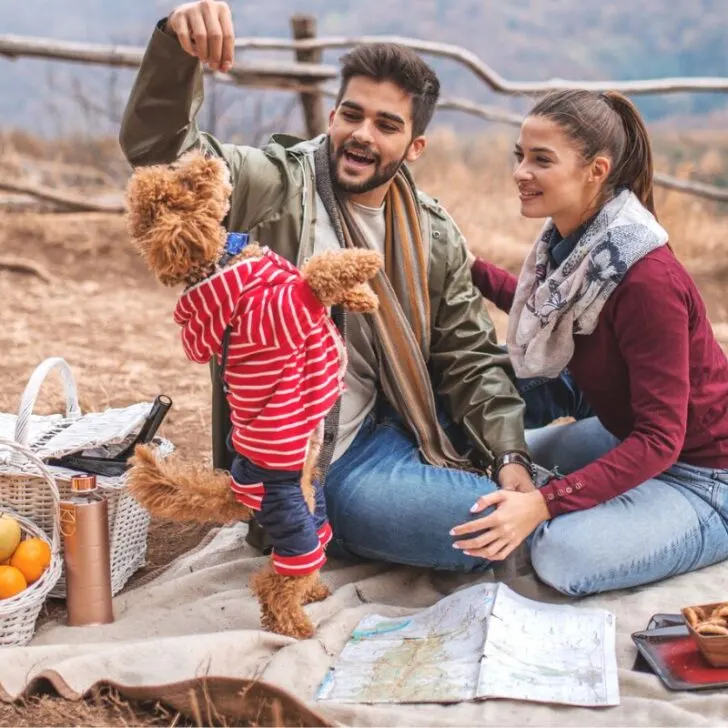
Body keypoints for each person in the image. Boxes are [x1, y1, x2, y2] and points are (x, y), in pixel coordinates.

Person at [120, 0, 577, 572]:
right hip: (318, 460)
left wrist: (511, 459)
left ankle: (552, 472)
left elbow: (468, 358)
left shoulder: (431, 231)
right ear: (332, 115)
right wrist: (174, 49)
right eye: (351, 115)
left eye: (386, 125)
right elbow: (162, 161)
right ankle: (546, 487)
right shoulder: (277, 184)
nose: (362, 134)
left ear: (415, 148)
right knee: (471, 528)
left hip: (405, 415)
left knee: (557, 405)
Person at [453, 88, 728, 595]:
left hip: (706, 472)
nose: (521, 172)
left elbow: (663, 438)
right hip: (627, 437)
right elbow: (553, 314)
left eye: (541, 160)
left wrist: (546, 503)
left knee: (561, 554)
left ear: (596, 170)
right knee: (496, 460)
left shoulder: (646, 279)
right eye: (520, 156)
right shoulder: (573, 248)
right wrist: (468, 269)